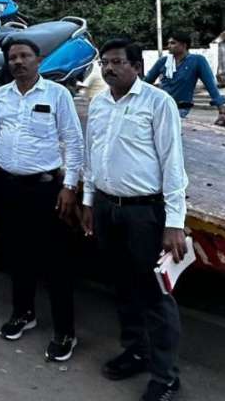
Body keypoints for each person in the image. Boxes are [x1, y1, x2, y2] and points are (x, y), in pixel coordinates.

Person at [82, 39, 188, 401]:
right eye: (104, 62)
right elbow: (91, 156)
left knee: (155, 295)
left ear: (137, 67)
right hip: (106, 207)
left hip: (144, 213)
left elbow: (173, 164)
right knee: (122, 286)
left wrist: (174, 222)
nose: (109, 68)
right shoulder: (99, 104)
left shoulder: (158, 103)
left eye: (117, 62)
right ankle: (137, 351)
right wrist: (88, 201)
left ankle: (166, 376)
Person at [0, 38, 84, 361]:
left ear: (39, 60)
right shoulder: (2, 95)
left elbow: (74, 142)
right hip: (7, 186)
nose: (18, 62)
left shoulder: (57, 94)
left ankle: (65, 332)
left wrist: (70, 186)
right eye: (12, 57)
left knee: (56, 261)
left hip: (45, 189)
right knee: (16, 254)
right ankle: (23, 313)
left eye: (25, 56)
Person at [145, 31, 225, 125]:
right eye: (168, 43)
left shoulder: (197, 61)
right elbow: (146, 82)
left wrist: (222, 110)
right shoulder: (163, 61)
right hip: (160, 107)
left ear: (184, 45)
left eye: (173, 43)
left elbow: (211, 86)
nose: (169, 46)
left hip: (181, 109)